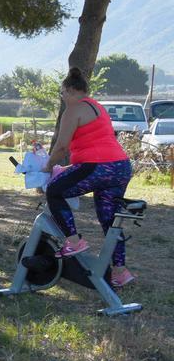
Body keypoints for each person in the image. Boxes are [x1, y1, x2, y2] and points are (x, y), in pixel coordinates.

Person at [43, 67, 135, 287]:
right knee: (109, 220)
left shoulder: (73, 109)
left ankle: (73, 241)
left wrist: (48, 166)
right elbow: (94, 143)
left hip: (98, 166)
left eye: (62, 93)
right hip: (120, 167)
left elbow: (62, 146)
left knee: (54, 191)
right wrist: (67, 171)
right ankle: (120, 272)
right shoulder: (98, 107)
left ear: (69, 89)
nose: (62, 98)